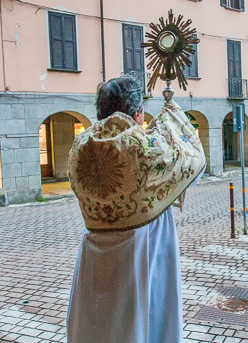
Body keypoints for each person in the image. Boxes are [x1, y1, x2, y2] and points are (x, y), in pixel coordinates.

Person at [67, 75, 206, 343]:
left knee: (97, 325)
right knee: (145, 323)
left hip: (94, 253)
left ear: (100, 111)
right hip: (144, 250)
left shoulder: (79, 146)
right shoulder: (145, 146)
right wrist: (172, 115)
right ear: (137, 112)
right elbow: (193, 163)